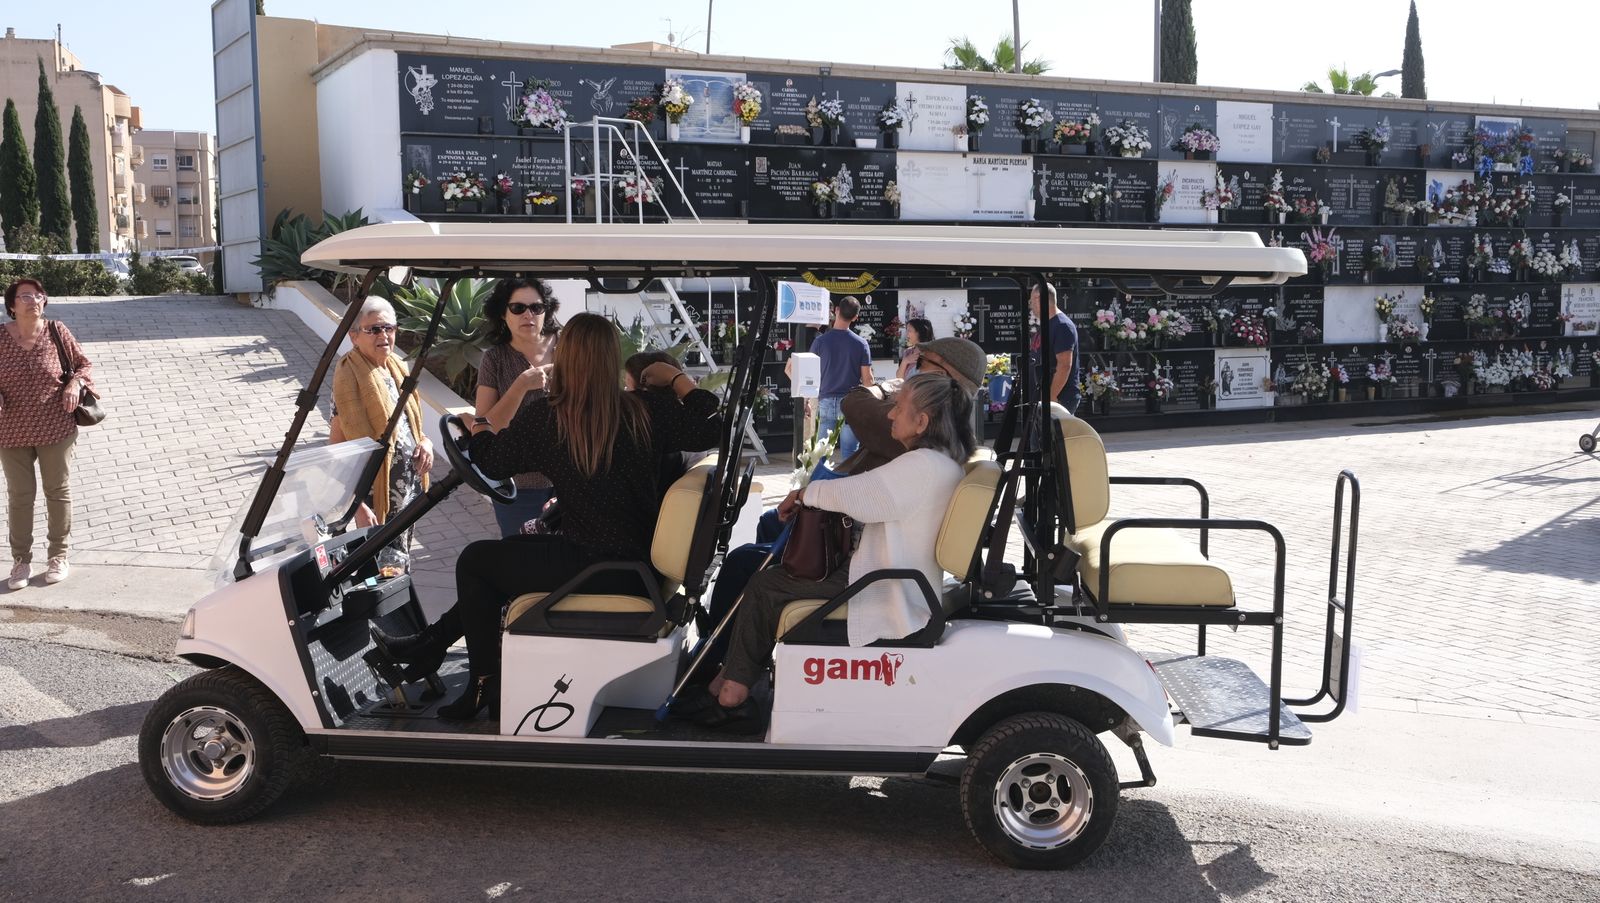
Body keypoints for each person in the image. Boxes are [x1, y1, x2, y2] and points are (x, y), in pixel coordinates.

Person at [377, 313, 722, 722]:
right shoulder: (643, 410)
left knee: (475, 561)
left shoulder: (551, 417)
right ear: (611, 359)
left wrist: (481, 423)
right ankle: (432, 646)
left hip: (594, 564)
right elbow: (712, 424)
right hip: (629, 563)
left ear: (567, 358)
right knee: (507, 553)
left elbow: (491, 458)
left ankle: (482, 683)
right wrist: (677, 377)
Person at [691, 337, 987, 682]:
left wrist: (806, 494)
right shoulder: (939, 457)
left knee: (763, 582)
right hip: (878, 561)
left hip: (881, 582)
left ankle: (730, 687)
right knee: (764, 560)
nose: (893, 411)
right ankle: (733, 668)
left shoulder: (921, 463)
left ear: (922, 421)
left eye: (920, 365)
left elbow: (864, 491)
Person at [0, 279, 94, 589]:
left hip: (56, 427)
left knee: (57, 491)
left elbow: (83, 365)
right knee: (20, 496)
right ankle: (21, 561)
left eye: (38, 295)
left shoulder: (57, 331)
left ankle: (58, 556)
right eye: (25, 296)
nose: (33, 300)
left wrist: (74, 384)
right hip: (10, 430)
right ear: (12, 305)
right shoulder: (1, 337)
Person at [330, 298, 434, 565]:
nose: (384, 335)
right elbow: (338, 451)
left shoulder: (396, 367)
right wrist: (357, 506)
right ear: (354, 336)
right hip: (376, 502)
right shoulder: (348, 378)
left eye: (390, 328)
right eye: (374, 329)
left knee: (399, 565)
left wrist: (426, 442)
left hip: (407, 496)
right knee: (378, 571)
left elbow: (412, 426)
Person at [475, 278, 561, 537]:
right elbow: (485, 426)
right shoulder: (495, 359)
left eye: (537, 307)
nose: (528, 315)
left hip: (574, 480)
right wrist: (521, 385)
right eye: (518, 308)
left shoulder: (569, 348)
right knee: (524, 562)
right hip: (520, 485)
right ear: (503, 313)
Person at [809, 296, 873, 460]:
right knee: (850, 454)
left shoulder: (820, 342)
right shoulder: (861, 344)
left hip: (826, 400)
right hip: (850, 402)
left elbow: (810, 374)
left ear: (836, 310)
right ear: (855, 317)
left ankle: (820, 484)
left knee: (821, 453)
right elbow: (867, 380)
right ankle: (847, 485)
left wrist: (807, 400)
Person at [1030, 282, 1079, 415]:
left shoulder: (1062, 326)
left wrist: (1050, 397)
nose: (1031, 306)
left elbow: (1064, 365)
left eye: (1031, 301)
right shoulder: (1048, 324)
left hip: (1059, 398)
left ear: (1038, 299)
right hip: (1046, 396)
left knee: (1054, 436)